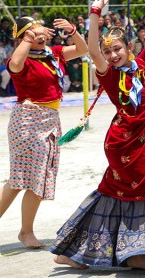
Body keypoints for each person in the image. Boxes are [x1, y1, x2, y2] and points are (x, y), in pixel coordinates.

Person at [50, 0, 145, 270]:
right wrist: (94, 14)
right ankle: (137, 255)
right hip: (124, 145)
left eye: (117, 49)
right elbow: (91, 49)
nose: (112, 54)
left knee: (112, 194)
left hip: (142, 146)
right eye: (107, 51)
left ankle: (72, 251)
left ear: (129, 47)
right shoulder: (108, 75)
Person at [0, 16, 88, 250]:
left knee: (38, 178)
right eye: (32, 32)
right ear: (23, 37)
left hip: (50, 120)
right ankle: (25, 231)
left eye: (40, 30)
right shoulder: (21, 58)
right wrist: (27, 40)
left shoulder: (53, 53)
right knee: (19, 179)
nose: (40, 34)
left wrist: (72, 30)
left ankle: (26, 231)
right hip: (28, 120)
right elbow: (15, 66)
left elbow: (83, 49)